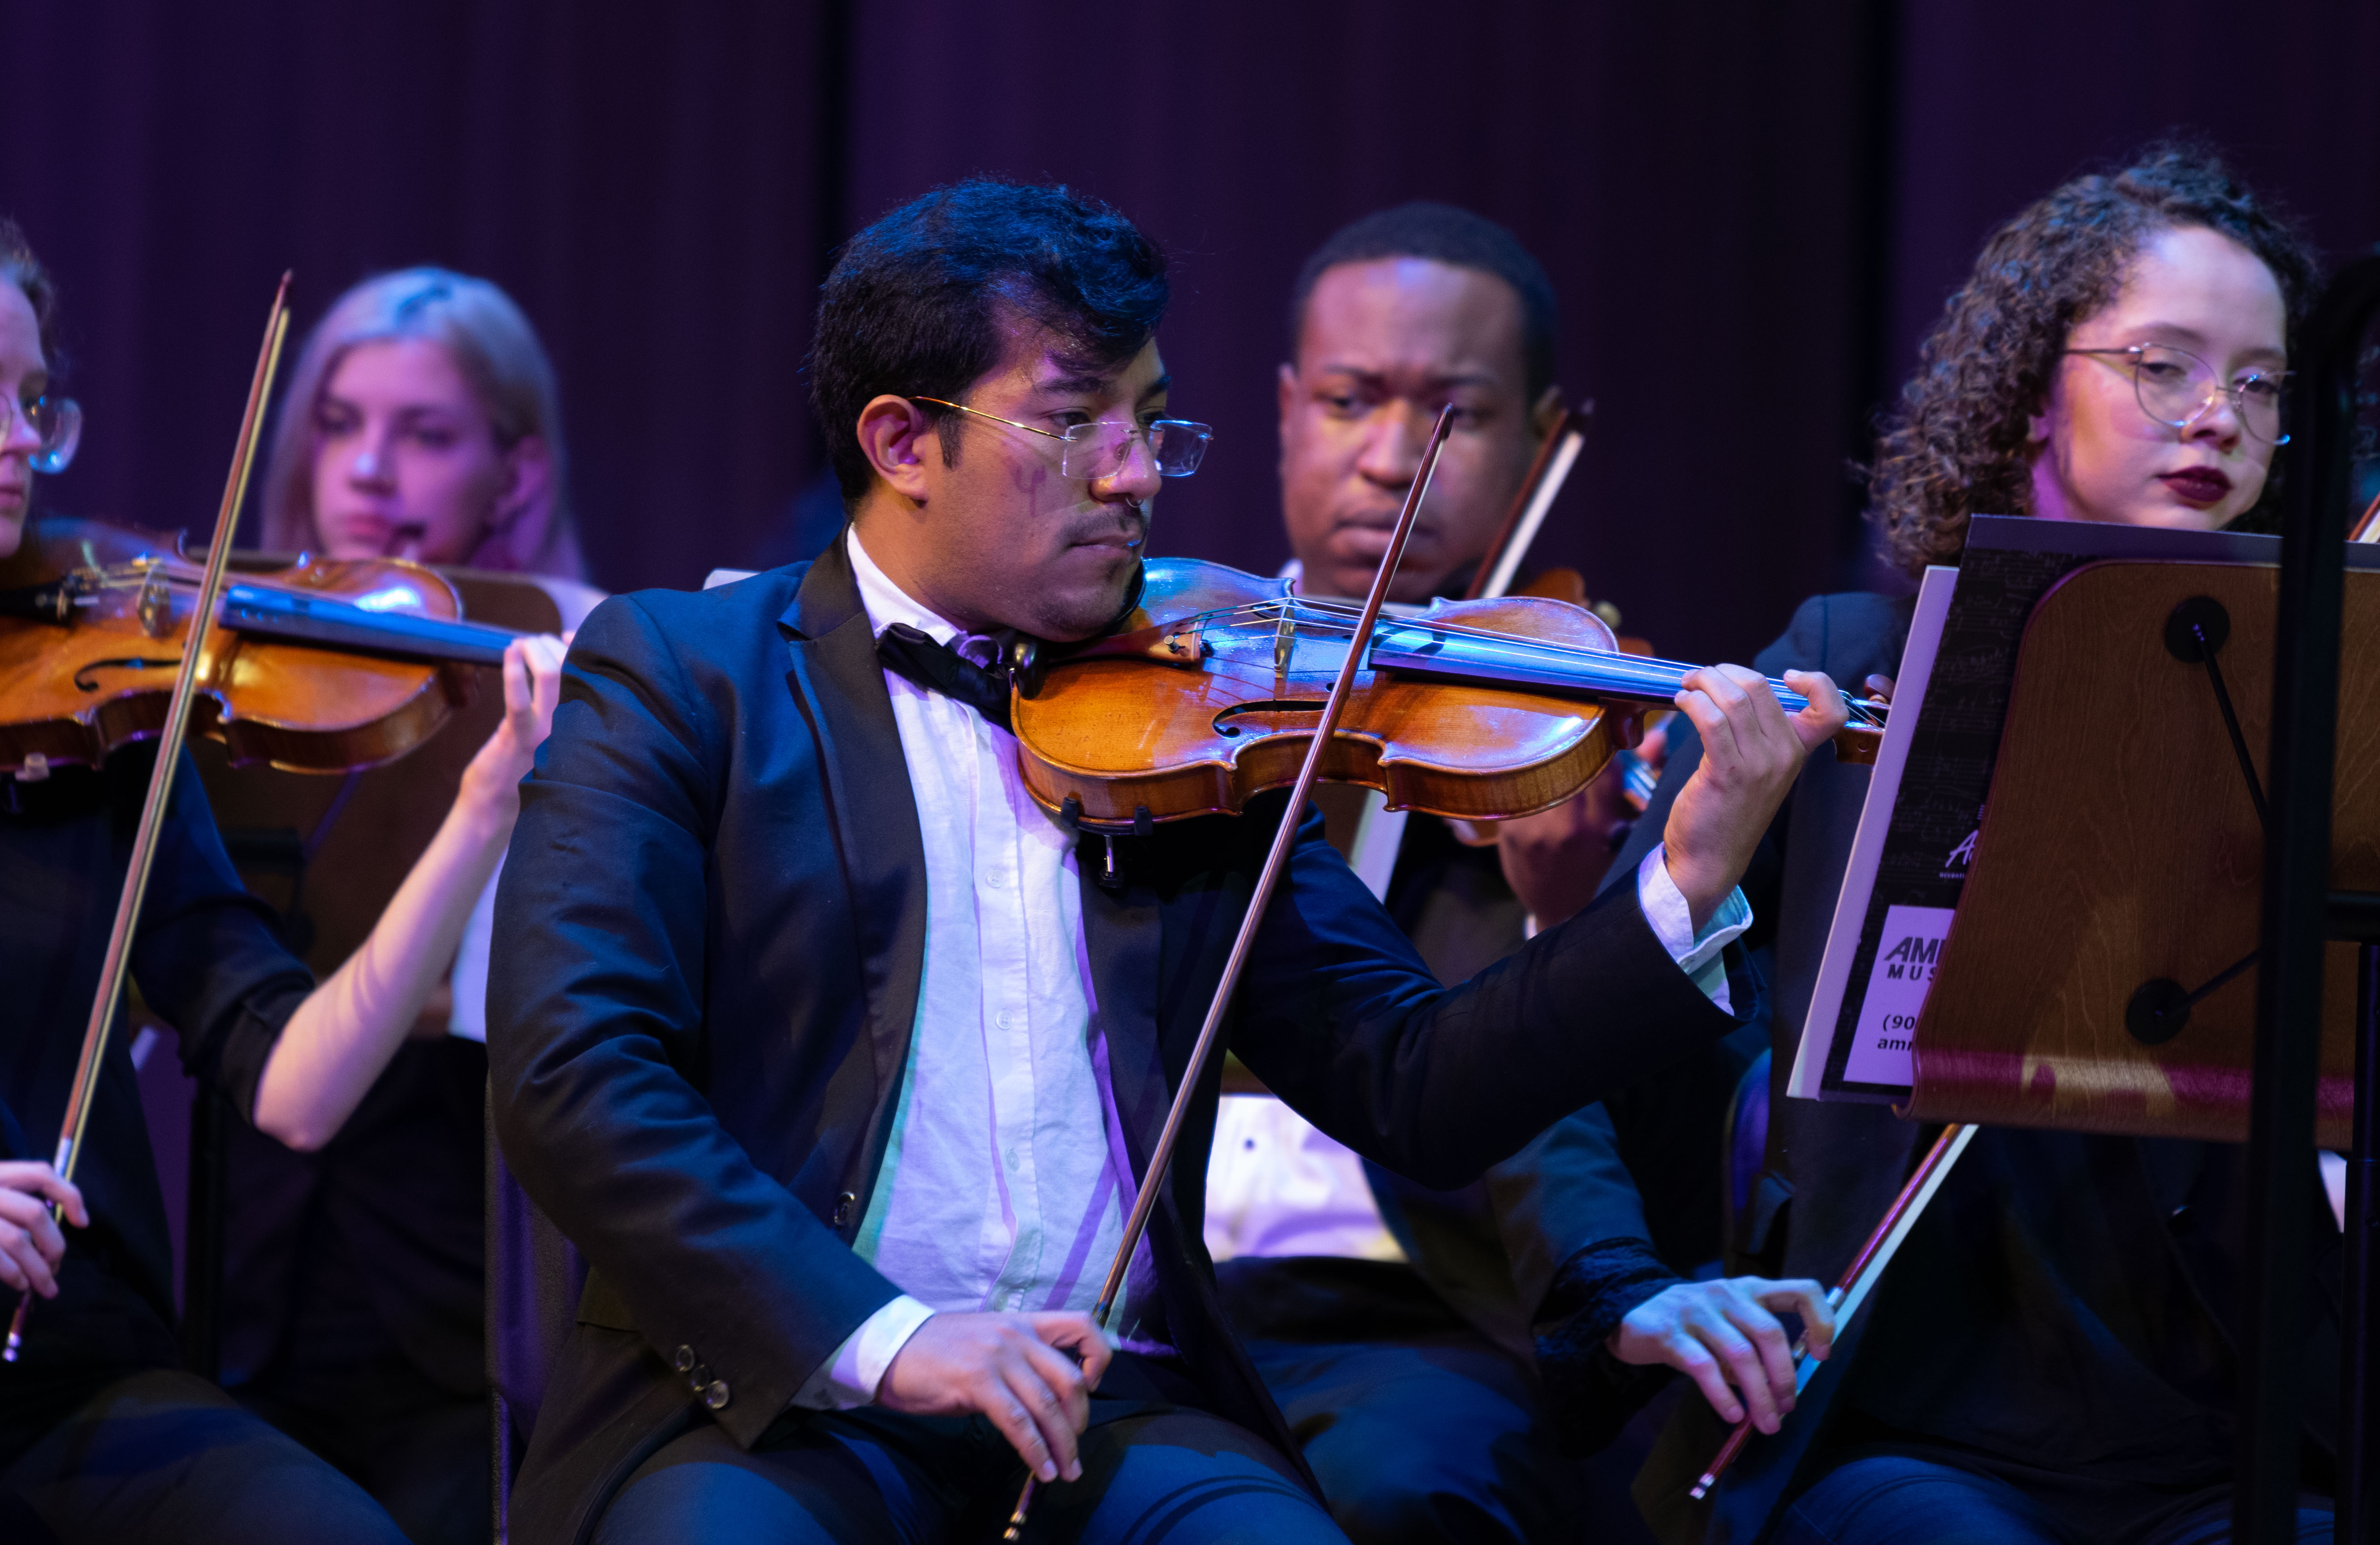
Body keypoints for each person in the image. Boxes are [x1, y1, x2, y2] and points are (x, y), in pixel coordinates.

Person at [488, 177, 1848, 1544]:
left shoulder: (1184, 724)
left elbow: (1417, 1082)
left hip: (1110, 1406)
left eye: (1148, 422)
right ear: (902, 442)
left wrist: (1682, 880)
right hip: (778, 1397)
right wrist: (893, 1339)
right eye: (1071, 422)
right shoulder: (683, 677)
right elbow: (575, 1074)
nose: (1134, 475)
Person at [0, 196, 563, 1545]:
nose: (21, 442)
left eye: (36, 402)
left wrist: (487, 800)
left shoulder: (91, 728)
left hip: (72, 1372)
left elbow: (300, 1090)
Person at [1571, 145, 2339, 1545]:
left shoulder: (2308, 704)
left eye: (2262, 384)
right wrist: (1623, 1284)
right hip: (1905, 1428)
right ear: (2034, 390)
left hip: (2226, 1435)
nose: (2218, 416)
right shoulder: (1848, 666)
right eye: (2163, 366)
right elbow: (1582, 1027)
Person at [1209, 203, 1829, 1545]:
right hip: (1161, 1277)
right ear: (1286, 411)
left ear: (1544, 442)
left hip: (1429, 1310)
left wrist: (1569, 915)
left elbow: (1656, 1131)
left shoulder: (1566, 731)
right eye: (1349, 401)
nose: (1391, 462)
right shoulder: (1170, 684)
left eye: (1455, 417)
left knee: (1407, 1494)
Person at [208, 268, 603, 1545]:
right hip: (241, 1249)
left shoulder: (576, 678)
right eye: (338, 424)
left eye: (426, 434)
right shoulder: (227, 675)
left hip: (453, 1250)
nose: (369, 470)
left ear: (517, 473)